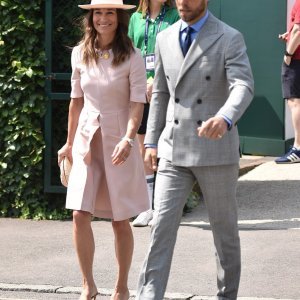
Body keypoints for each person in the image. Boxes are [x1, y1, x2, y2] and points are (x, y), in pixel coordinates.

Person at [136, 0, 254, 299]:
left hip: (215, 149)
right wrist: (151, 141)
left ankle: (226, 295)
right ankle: (149, 295)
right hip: (173, 149)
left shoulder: (228, 36)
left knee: (223, 233)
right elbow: (161, 93)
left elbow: (243, 84)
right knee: (160, 227)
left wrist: (226, 116)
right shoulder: (164, 37)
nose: (182, 2)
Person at [57, 1, 149, 299]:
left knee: (120, 218)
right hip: (86, 141)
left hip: (119, 142)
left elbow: (138, 102)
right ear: (91, 17)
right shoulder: (79, 53)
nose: (103, 18)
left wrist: (128, 138)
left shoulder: (133, 56)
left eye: (110, 12)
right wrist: (68, 143)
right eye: (98, 13)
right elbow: (76, 101)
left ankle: (121, 287)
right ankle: (88, 285)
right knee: (79, 214)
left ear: (119, 17)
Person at [128, 0, 179, 227]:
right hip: (139, 90)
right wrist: (140, 81)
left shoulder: (175, 16)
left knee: (165, 147)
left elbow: (178, 52)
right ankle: (147, 207)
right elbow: (130, 53)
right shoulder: (135, 19)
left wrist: (155, 80)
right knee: (142, 147)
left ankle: (163, 207)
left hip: (166, 89)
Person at [276, 0, 300, 164]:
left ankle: (298, 148)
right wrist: (290, 34)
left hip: (297, 59)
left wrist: (288, 54)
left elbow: (299, 30)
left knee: (295, 102)